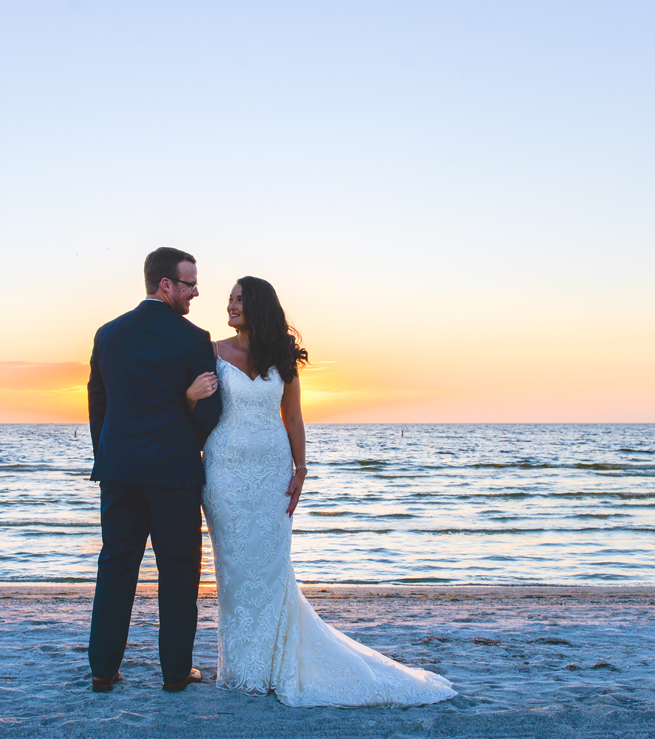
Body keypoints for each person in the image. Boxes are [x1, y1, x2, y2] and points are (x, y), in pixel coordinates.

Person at [187, 276, 455, 707]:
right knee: (235, 571)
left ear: (258, 305)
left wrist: (301, 468)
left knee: (272, 568)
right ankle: (242, 669)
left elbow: (292, 417)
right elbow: (194, 406)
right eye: (229, 301)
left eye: (238, 300)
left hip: (273, 472)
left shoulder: (282, 357)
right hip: (225, 474)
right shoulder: (212, 352)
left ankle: (272, 665)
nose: (230, 307)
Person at [86, 247, 223, 693]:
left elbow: (98, 404)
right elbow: (210, 410)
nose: (196, 292)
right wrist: (187, 440)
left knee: (116, 566)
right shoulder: (193, 338)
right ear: (165, 284)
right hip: (174, 474)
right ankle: (174, 673)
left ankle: (103, 670)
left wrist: (109, 456)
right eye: (189, 284)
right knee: (179, 571)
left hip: (119, 471)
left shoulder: (107, 334)